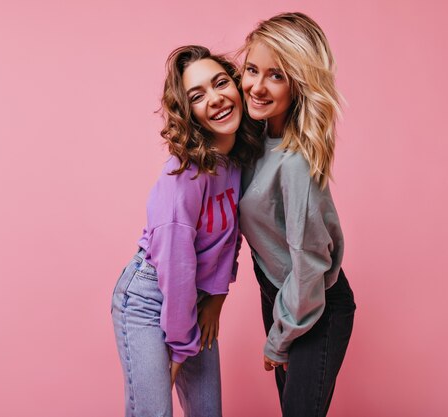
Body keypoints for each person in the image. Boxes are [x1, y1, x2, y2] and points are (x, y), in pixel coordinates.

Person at [111, 45, 261, 417]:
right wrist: (181, 347)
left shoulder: (236, 160)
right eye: (198, 96)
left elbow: (230, 238)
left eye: (221, 83)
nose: (215, 99)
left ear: (237, 87)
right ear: (188, 113)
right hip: (149, 297)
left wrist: (216, 298)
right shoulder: (186, 175)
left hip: (193, 300)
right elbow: (176, 266)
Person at [238, 12, 357, 417]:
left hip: (313, 303)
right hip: (280, 294)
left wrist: (280, 337)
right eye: (251, 69)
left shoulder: (294, 163)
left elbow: (310, 263)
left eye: (276, 75)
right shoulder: (257, 140)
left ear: (299, 84)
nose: (256, 85)